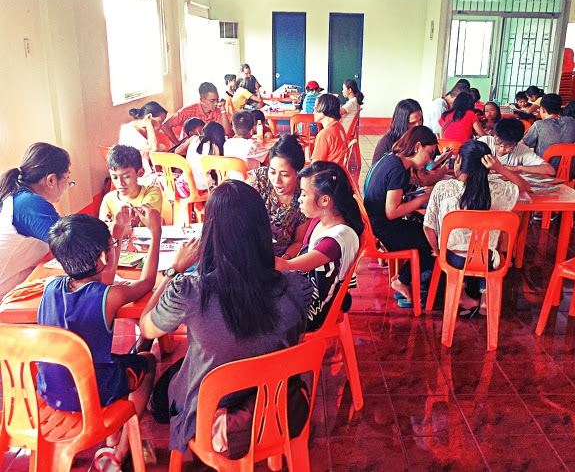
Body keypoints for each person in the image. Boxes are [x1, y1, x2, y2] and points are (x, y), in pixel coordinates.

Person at [138, 180, 313, 457]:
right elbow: (294, 341)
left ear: (210, 231)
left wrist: (174, 270)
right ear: (263, 229)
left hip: (210, 414)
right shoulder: (297, 286)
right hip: (274, 404)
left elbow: (146, 328)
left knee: (164, 388)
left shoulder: (191, 291)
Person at [37, 208, 160, 468]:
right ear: (104, 255)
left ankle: (114, 434)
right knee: (148, 361)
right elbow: (148, 282)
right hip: (93, 393)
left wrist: (116, 235)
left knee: (120, 359)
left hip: (52, 392)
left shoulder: (50, 287)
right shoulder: (112, 296)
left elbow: (101, 277)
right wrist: (155, 232)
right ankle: (122, 449)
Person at [423, 140, 530, 315]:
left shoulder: (443, 188)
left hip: (453, 259)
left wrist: (437, 251)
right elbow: (526, 188)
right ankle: (485, 300)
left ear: (458, 161)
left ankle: (461, 295)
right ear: (488, 165)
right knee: (490, 250)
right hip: (487, 260)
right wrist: (501, 169)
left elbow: (428, 227)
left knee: (460, 251)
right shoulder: (499, 190)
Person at [275, 161, 362, 331]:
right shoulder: (319, 221)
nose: (299, 199)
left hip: (315, 310)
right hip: (305, 291)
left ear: (324, 200)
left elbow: (287, 266)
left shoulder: (334, 241)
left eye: (304, 194)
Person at [364, 126, 446, 304]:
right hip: (384, 230)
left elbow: (416, 182)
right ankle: (403, 280)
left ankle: (410, 279)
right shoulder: (397, 170)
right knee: (433, 239)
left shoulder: (392, 160)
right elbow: (392, 212)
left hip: (375, 225)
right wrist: (426, 197)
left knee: (426, 228)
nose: (430, 160)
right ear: (417, 147)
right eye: (429, 153)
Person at [0, 143, 73, 299]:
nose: (68, 184)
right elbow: (74, 245)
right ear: (51, 180)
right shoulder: (29, 204)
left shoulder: (15, 197)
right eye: (67, 177)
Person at [247, 134, 309, 258]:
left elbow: (298, 242)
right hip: (249, 250)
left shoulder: (304, 197)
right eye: (272, 172)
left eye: (285, 175)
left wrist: (283, 260)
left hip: (280, 258)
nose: (276, 181)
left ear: (298, 173)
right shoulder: (259, 180)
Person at [99, 145, 163, 228]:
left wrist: (112, 225)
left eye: (126, 177)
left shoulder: (153, 192)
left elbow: (134, 220)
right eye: (114, 177)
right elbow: (101, 228)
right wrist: (105, 225)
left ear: (140, 173)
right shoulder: (108, 199)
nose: (120, 183)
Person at [479, 118, 556, 176]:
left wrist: (519, 168)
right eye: (498, 143)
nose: (501, 149)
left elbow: (550, 170)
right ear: (494, 135)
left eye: (508, 146)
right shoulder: (484, 142)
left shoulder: (521, 149)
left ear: (516, 143)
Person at [161, 82, 232, 141]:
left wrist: (223, 110)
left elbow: (227, 134)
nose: (216, 103)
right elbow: (165, 126)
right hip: (187, 149)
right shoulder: (188, 111)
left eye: (217, 99)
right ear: (202, 99)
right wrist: (177, 143)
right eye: (212, 100)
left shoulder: (218, 112)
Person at [120, 101, 168, 178]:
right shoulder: (128, 130)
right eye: (161, 121)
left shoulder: (146, 129)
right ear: (149, 117)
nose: (161, 125)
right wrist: (148, 123)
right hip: (134, 175)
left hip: (146, 170)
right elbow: (154, 148)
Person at [523, 93, 575, 160]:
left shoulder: (539, 125)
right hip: (568, 165)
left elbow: (523, 144)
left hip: (545, 165)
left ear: (543, 109)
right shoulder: (571, 121)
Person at [372, 99, 423, 166]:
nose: (418, 125)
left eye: (420, 120)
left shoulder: (422, 136)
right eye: (412, 123)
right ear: (402, 123)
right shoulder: (387, 142)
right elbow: (377, 170)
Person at [186, 121, 226, 191]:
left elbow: (177, 151)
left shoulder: (193, 139)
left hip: (186, 182)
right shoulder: (214, 146)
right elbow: (218, 170)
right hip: (203, 186)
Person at [311, 94, 348, 164]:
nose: (313, 112)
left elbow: (316, 165)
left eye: (316, 107)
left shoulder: (324, 134)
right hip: (339, 169)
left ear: (325, 108)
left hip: (327, 170)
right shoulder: (339, 126)